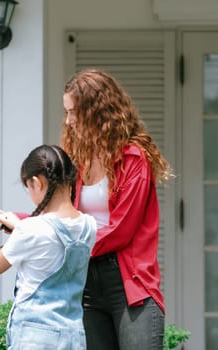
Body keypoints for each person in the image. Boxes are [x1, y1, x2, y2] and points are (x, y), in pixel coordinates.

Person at [61, 68, 173, 350]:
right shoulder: (79, 160)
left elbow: (121, 232)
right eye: (67, 112)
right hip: (86, 282)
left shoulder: (133, 158)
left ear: (95, 110)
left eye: (74, 112)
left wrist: (65, 241)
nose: (69, 121)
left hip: (129, 285)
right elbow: (59, 215)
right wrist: (13, 220)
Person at [0, 144, 97, 350]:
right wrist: (15, 225)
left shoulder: (31, 229)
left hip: (35, 337)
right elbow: (56, 237)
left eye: (28, 187)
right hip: (73, 336)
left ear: (37, 183)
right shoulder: (89, 226)